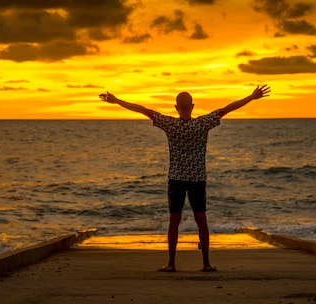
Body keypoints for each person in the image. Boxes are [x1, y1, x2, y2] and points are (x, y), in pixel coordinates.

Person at [99, 85, 271, 272]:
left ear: (176, 107)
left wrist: (116, 101)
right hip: (197, 179)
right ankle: (206, 263)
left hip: (176, 179)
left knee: (174, 220)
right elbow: (229, 108)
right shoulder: (202, 124)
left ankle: (171, 263)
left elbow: (142, 109)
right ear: (193, 106)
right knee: (201, 220)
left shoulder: (170, 124)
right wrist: (251, 97)